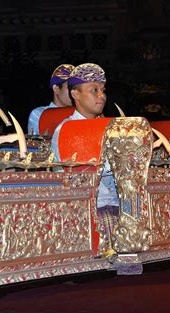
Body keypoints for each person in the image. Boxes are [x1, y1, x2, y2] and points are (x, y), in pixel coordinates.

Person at [51, 63, 118, 253]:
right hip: (88, 204)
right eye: (94, 90)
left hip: (114, 199)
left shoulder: (109, 126)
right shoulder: (68, 130)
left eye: (103, 90)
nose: (102, 95)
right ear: (75, 94)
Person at [27, 64, 75, 135]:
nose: (75, 92)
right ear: (56, 88)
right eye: (70, 88)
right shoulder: (39, 114)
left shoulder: (79, 112)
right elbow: (34, 143)